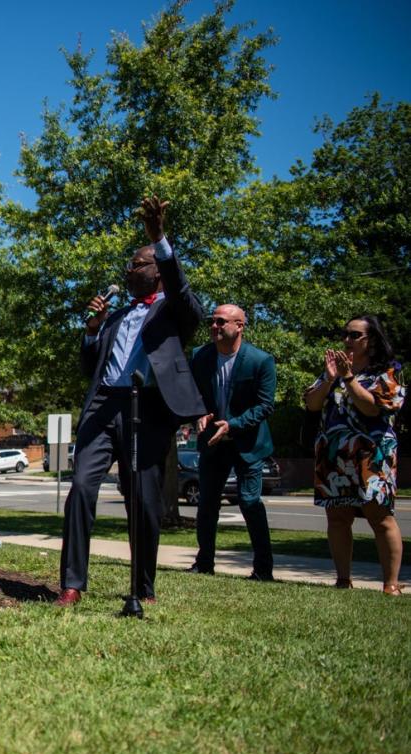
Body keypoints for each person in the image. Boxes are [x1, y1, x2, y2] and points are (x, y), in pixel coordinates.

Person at [57, 197, 206, 606]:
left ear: (156, 270)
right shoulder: (117, 317)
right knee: (81, 489)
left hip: (148, 407)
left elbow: (182, 289)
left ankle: (142, 587)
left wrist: (159, 239)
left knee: (142, 498)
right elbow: (91, 368)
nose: (128, 270)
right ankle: (71, 584)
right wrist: (90, 332)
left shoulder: (176, 312)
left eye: (137, 264)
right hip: (103, 405)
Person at [303, 315, 404, 595]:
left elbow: (372, 408)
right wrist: (330, 378)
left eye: (354, 335)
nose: (347, 340)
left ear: (371, 341)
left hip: (372, 455)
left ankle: (390, 584)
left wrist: (348, 378)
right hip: (334, 454)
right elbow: (312, 404)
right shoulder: (333, 370)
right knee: (337, 517)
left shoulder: (387, 372)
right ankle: (343, 580)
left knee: (380, 517)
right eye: (345, 334)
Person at [186, 305, 277, 580]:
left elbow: (265, 406)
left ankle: (263, 569)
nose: (214, 326)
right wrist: (198, 414)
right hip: (213, 443)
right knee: (207, 504)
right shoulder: (200, 356)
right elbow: (193, 395)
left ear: (240, 326)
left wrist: (233, 425)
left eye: (221, 322)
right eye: (212, 322)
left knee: (250, 502)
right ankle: (204, 564)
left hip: (248, 443)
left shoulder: (260, 361)